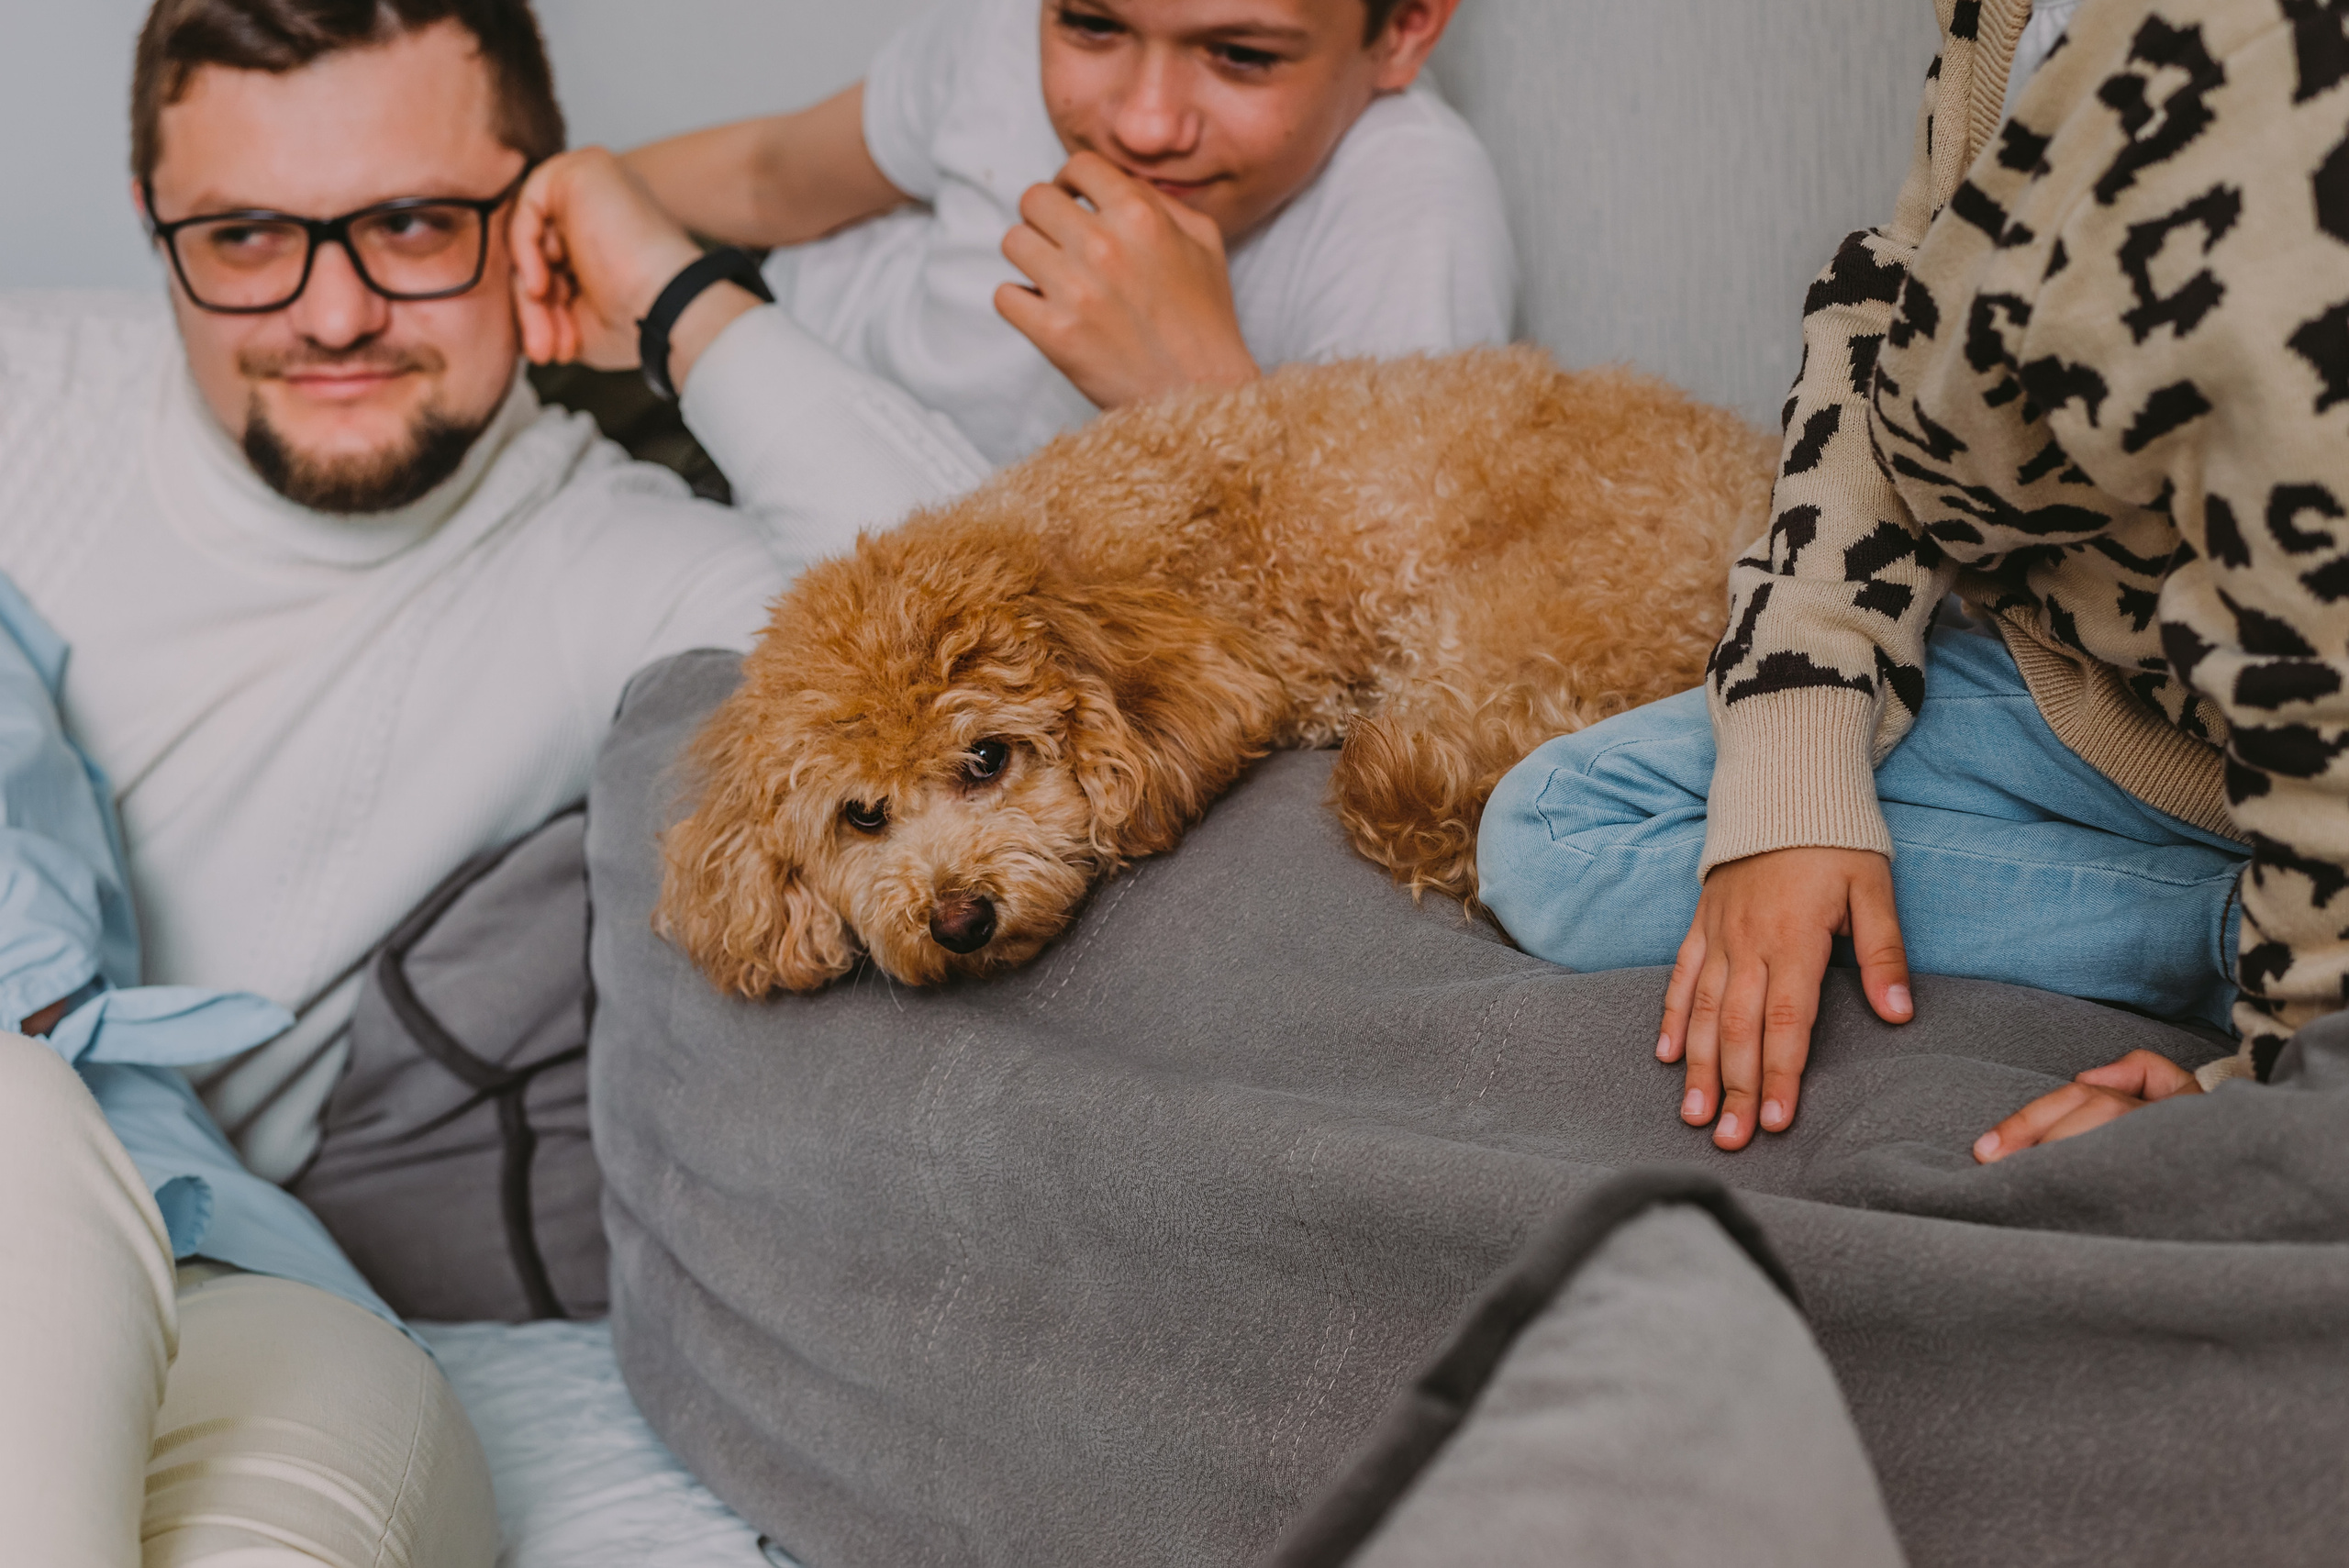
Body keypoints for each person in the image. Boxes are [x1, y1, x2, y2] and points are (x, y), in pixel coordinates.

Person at [0, 0, 986, 1554]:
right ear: (154, 221)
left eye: (408, 224)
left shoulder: (604, 552)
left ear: (532, 206)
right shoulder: (28, 395)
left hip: (241, 1288)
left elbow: (974, 627)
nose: (331, 313)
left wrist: (668, 285)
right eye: (247, 235)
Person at [1475, 0, 2347, 1157]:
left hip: (2298, 728)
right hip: (2118, 709)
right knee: (1556, 836)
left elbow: (2324, 655)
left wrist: (2278, 1074)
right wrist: (1797, 765)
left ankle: (2236, 940)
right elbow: (1900, 310)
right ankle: (2221, 916)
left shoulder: (2278, 82)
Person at [518, 0, 1516, 465]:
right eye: (1090, 27)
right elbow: (771, 177)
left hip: (867, 522)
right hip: (732, 347)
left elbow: (1380, 607)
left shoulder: (1411, 208)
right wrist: (541, 203)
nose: (1144, 123)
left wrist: (1195, 392)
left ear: (1402, 30)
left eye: (1240, 55)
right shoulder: (994, 38)